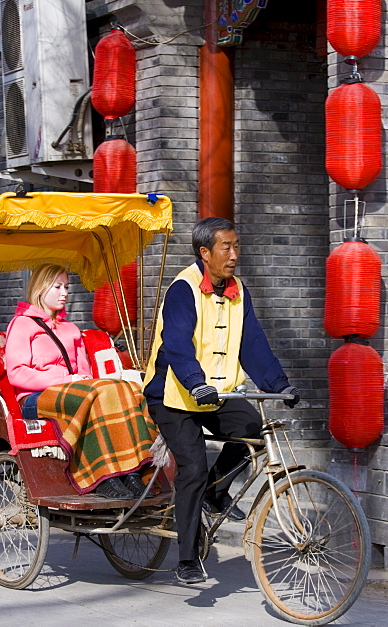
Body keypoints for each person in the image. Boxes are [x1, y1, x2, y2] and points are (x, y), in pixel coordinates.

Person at [144, 217, 300, 585]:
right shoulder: (183, 289)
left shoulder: (238, 290)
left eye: (236, 246)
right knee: (192, 468)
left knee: (253, 429)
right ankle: (186, 559)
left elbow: (253, 343)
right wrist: (196, 382)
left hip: (216, 392)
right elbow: (178, 345)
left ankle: (217, 490)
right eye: (225, 248)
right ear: (204, 252)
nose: (234, 255)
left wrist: (279, 384)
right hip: (173, 393)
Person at [5, 264, 156, 500]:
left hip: (74, 391)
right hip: (35, 398)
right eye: (57, 287)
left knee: (125, 388)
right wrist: (66, 379)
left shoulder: (71, 329)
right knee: (94, 393)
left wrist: (82, 380)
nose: (64, 292)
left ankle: (132, 470)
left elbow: (84, 374)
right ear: (40, 288)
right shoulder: (22, 324)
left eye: (66, 286)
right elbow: (17, 373)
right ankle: (103, 476)